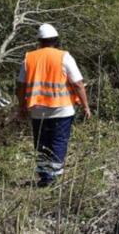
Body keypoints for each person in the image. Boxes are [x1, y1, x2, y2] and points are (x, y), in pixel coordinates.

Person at [16, 24, 91, 187]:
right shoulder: (64, 57)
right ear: (56, 41)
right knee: (58, 142)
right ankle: (54, 180)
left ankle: (45, 178)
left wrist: (21, 106)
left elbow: (20, 86)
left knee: (41, 143)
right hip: (62, 109)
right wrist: (85, 105)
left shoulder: (29, 58)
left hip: (37, 110)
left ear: (39, 41)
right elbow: (78, 84)